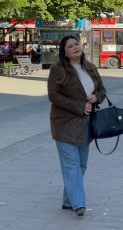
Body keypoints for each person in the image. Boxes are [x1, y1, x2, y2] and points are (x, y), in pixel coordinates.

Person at [47, 35, 106, 216]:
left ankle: (68, 200)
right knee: (71, 164)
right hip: (64, 123)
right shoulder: (58, 70)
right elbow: (54, 96)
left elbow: (102, 90)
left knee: (81, 165)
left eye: (76, 44)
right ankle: (79, 204)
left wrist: (96, 97)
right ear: (64, 52)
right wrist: (80, 106)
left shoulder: (90, 68)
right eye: (70, 46)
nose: (75, 47)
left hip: (86, 124)